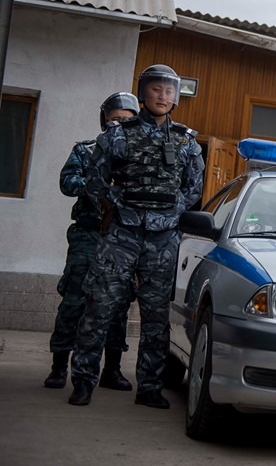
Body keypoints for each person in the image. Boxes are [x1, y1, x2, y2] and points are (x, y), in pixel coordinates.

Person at [68, 64, 204, 409]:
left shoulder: (186, 141)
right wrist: (118, 205)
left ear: (176, 97)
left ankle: (150, 388)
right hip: (121, 234)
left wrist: (169, 213)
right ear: (144, 93)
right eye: (156, 89)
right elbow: (95, 183)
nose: (163, 96)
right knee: (98, 307)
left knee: (156, 316)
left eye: (169, 91)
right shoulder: (117, 135)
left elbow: (193, 189)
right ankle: (83, 381)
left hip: (163, 240)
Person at [44, 92, 140, 390]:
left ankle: (111, 370)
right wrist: (95, 184)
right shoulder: (86, 151)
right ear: (104, 120)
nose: (118, 125)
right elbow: (67, 182)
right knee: (74, 300)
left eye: (125, 121)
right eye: (114, 119)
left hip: (121, 238)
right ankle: (59, 367)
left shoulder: (140, 156)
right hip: (88, 235)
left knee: (118, 305)